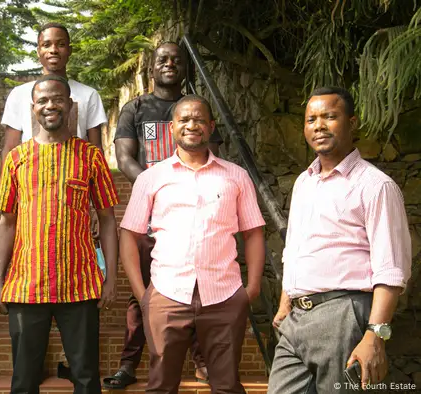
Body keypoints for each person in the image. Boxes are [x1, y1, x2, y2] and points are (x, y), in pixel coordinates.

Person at [267, 87, 412, 394]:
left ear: (352, 122)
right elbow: (294, 249)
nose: (318, 125)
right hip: (295, 318)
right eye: (311, 119)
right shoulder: (303, 183)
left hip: (343, 315)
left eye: (329, 116)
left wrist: (376, 334)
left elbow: (391, 269)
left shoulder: (375, 186)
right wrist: (284, 305)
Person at [120, 95, 265, 394]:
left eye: (199, 119)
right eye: (184, 119)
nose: (191, 125)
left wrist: (251, 289)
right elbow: (128, 235)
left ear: (211, 127)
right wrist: (142, 294)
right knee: (161, 385)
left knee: (226, 385)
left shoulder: (236, 176)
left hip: (224, 295)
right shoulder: (151, 178)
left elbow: (253, 233)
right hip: (167, 294)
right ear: (172, 128)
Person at [104, 42, 222, 389]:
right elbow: (125, 157)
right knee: (141, 292)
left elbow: (213, 156)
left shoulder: (197, 107)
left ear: (185, 67)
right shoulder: (136, 108)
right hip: (149, 215)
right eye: (162, 60)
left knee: (199, 287)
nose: (169, 64)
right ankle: (129, 364)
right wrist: (160, 189)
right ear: (151, 69)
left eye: (176, 60)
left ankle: (203, 363)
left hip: (197, 216)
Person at [0, 75, 119, 394]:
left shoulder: (90, 157)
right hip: (25, 286)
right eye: (43, 101)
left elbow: (106, 219)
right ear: (33, 108)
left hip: (80, 284)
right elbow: (6, 222)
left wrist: (112, 278)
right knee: (23, 380)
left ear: (70, 105)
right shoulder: (16, 159)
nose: (51, 105)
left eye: (58, 99)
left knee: (87, 377)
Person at [0, 22, 107, 160]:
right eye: (46, 45)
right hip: (31, 178)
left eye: (61, 44)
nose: (53, 50)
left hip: (77, 177)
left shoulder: (89, 95)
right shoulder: (19, 95)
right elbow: (10, 149)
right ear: (38, 51)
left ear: (69, 50)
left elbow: (96, 147)